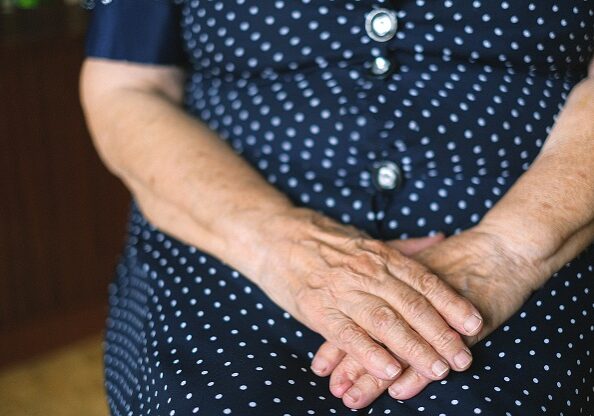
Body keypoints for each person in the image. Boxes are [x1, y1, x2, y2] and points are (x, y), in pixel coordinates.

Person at [80, 0, 594, 414]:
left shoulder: (519, 247)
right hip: (230, 223)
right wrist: (276, 241)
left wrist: (504, 253)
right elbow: (126, 88)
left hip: (537, 222)